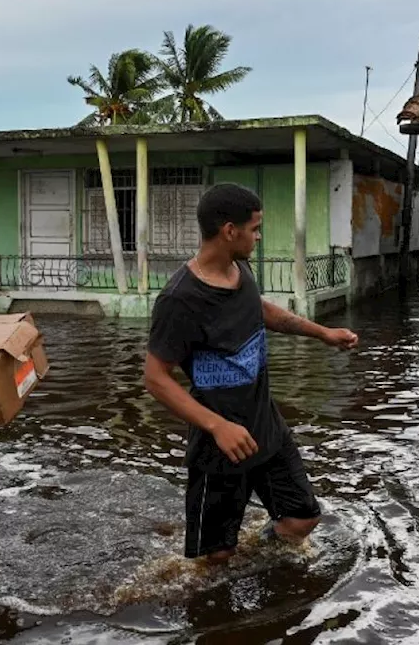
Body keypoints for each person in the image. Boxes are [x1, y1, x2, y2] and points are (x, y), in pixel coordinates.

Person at [143, 182, 359, 563]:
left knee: (302, 518)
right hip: (220, 446)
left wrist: (322, 333)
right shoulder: (179, 300)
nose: (259, 237)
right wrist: (217, 426)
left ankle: (258, 553)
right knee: (215, 559)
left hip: (266, 428)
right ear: (230, 231)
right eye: (255, 229)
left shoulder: (239, 271)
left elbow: (260, 310)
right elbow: (155, 378)